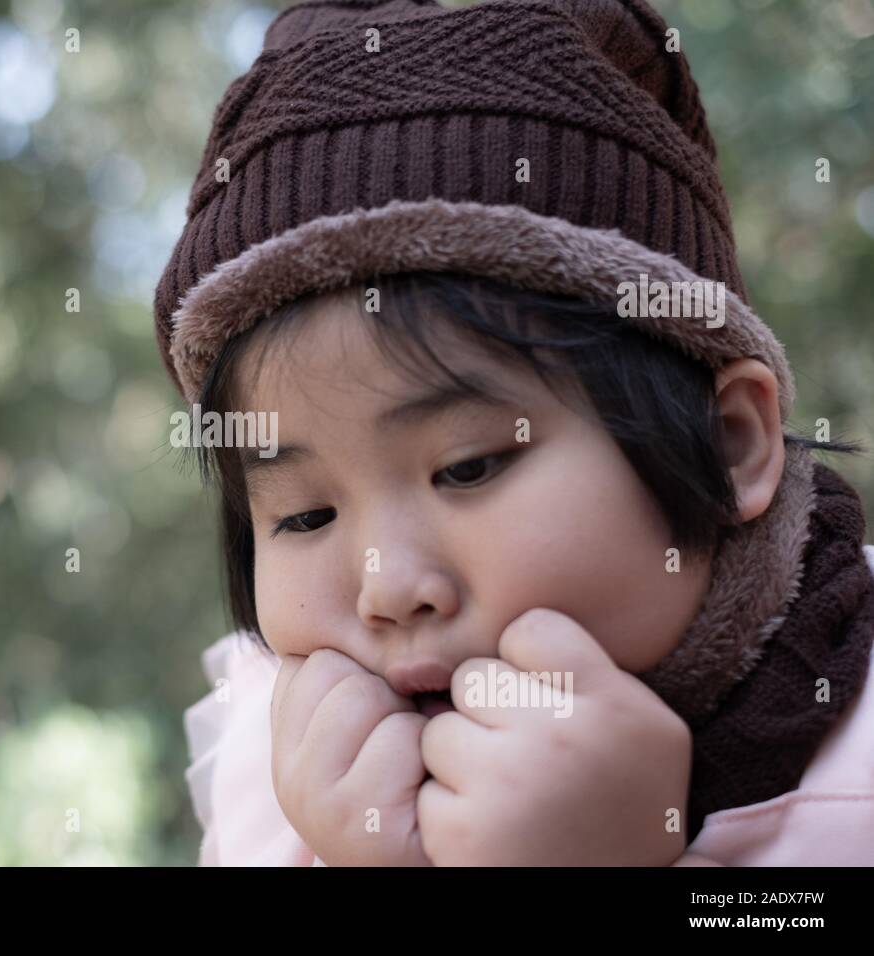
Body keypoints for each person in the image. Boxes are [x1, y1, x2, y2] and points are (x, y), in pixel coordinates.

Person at [153, 0, 874, 866]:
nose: (388, 591)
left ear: (729, 443)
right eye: (305, 516)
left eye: (467, 467)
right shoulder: (280, 790)